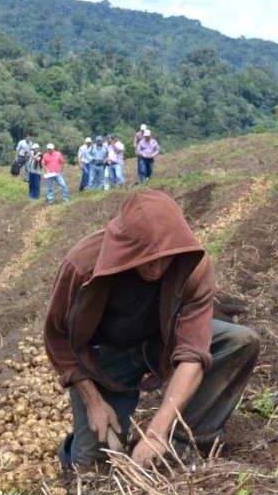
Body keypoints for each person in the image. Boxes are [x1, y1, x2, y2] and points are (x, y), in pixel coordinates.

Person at [43, 190, 261, 469]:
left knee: (239, 341)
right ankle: (72, 450)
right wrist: (93, 401)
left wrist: (157, 432)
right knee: (92, 466)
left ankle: (184, 441)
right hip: (104, 361)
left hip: (162, 342)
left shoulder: (192, 266)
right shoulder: (83, 265)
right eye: (146, 258)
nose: (157, 268)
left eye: (164, 258)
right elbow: (58, 336)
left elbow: (194, 352)